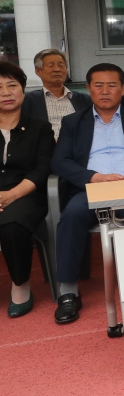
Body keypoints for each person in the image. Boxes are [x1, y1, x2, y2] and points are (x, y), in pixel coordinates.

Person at [50, 64, 124, 324]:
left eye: (112, 85)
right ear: (88, 88)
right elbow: (60, 162)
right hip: (93, 187)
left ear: (123, 89)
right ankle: (68, 292)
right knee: (71, 217)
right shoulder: (73, 121)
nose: (105, 91)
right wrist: (94, 177)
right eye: (98, 85)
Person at [0, 62, 55, 318]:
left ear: (23, 90)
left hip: (27, 194)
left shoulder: (40, 127)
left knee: (12, 225)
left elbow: (42, 169)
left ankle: (20, 284)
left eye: (12, 85)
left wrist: (11, 195)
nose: (5, 92)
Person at [23, 48, 89, 140]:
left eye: (61, 66)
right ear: (38, 71)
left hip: (78, 150)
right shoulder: (27, 101)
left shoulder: (84, 99)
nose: (57, 69)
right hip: (45, 151)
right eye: (51, 66)